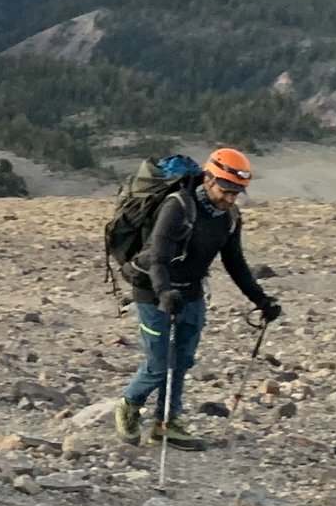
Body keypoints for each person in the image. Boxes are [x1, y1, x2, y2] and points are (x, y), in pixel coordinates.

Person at [115, 145, 283, 445]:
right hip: (152, 291)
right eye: (226, 190)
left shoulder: (229, 217)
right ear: (208, 179)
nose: (230, 198)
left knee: (181, 361)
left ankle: (167, 422)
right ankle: (129, 405)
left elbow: (235, 263)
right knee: (158, 365)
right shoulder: (177, 206)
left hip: (190, 292)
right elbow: (158, 258)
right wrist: (164, 291)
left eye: (237, 192)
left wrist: (261, 299)